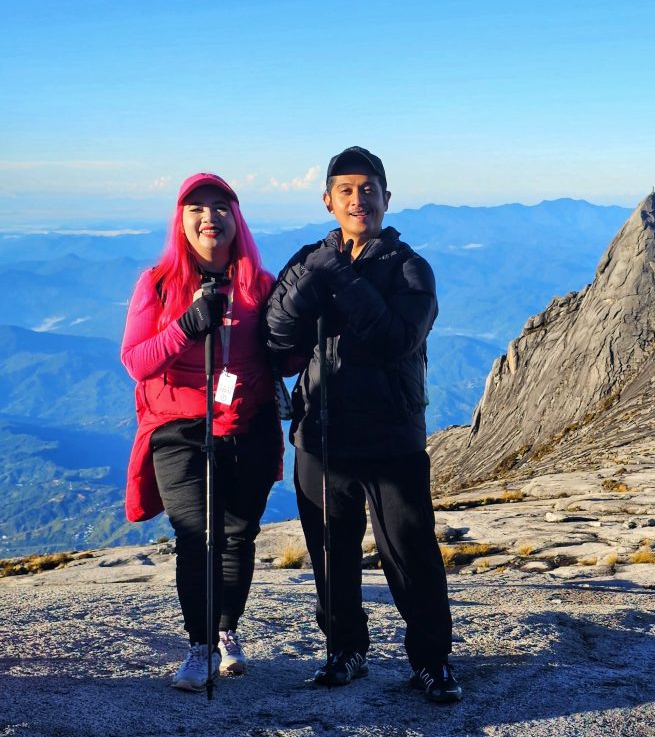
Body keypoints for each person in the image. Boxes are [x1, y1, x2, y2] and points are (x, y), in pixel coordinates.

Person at [264, 147, 462, 703]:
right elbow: (275, 337)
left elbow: (395, 340)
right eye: (347, 190)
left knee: (410, 554)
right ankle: (344, 651)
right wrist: (312, 282)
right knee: (329, 555)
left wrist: (342, 281)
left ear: (386, 198)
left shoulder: (410, 268)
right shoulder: (308, 260)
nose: (359, 199)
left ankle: (431, 661)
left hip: (391, 439)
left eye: (369, 188)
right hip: (320, 440)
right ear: (328, 200)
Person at [121, 172, 281, 692]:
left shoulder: (262, 285)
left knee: (238, 534)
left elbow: (286, 355)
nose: (209, 217)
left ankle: (227, 630)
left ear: (237, 219)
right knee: (197, 536)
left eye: (220, 207)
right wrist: (189, 324)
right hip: (178, 427)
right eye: (197, 208)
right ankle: (200, 645)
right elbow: (136, 361)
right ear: (181, 220)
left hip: (248, 423)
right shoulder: (159, 282)